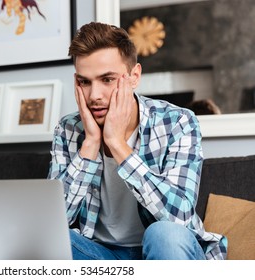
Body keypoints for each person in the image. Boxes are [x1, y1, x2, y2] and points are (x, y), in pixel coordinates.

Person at [48, 22, 227, 260]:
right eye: (85, 82)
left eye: (108, 79)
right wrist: (90, 143)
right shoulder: (68, 129)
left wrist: (117, 144)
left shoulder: (177, 122)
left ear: (134, 76)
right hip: (100, 256)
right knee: (51, 240)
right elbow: (55, 224)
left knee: (164, 235)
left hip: (162, 251)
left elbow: (179, 218)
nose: (94, 96)